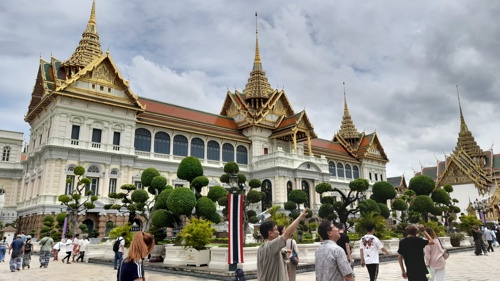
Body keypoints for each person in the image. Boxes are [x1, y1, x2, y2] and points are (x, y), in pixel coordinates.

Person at [256, 208, 309, 281]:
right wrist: (299, 218)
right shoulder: (271, 246)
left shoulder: (261, 248)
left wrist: (284, 253)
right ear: (270, 233)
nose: (278, 232)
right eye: (276, 229)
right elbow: (287, 234)